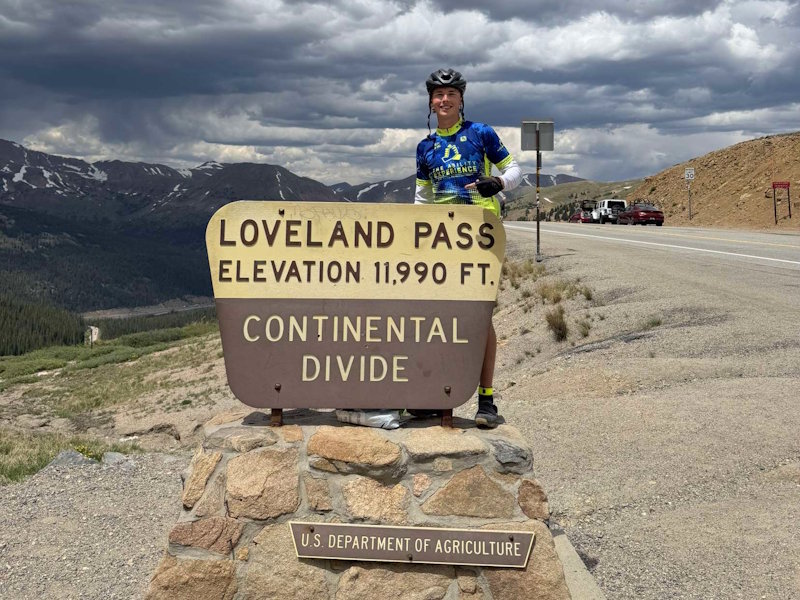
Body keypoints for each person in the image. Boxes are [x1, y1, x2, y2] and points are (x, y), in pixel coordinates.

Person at [414, 68, 521, 428]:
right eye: (438, 95)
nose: (444, 100)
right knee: (440, 319)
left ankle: (486, 400)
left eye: (451, 94)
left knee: (479, 317)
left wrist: (499, 182)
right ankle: (435, 396)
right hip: (443, 240)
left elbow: (516, 169)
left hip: (481, 236)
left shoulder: (481, 133)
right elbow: (421, 198)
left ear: (461, 99)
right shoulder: (425, 148)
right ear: (431, 101)